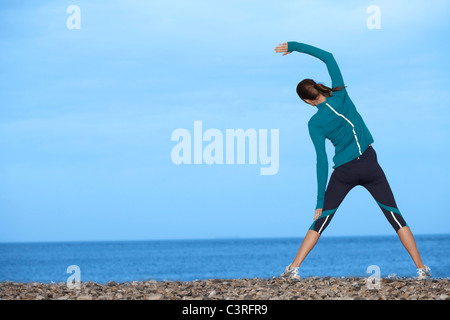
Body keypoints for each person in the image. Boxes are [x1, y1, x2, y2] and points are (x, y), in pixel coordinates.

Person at [274, 41, 431, 280]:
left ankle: (294, 268)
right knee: (394, 215)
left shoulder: (314, 124)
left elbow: (321, 162)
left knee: (322, 219)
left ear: (306, 101)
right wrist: (294, 46)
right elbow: (328, 56)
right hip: (369, 164)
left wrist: (319, 200)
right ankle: (421, 269)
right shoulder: (341, 95)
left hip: (345, 171)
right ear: (318, 88)